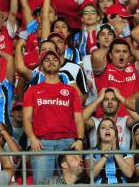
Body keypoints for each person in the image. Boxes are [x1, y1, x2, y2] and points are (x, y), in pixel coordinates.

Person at [23, 50, 84, 184]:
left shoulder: (72, 90)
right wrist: (32, 139)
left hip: (68, 143)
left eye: (55, 60)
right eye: (47, 60)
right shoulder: (32, 90)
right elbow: (26, 119)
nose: (51, 62)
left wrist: (79, 139)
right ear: (41, 67)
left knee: (70, 183)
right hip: (42, 144)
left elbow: (79, 118)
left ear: (59, 64)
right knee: (42, 184)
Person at [85, 118, 134, 184]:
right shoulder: (91, 152)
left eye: (111, 127)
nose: (107, 129)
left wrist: (115, 152)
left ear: (115, 133)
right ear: (99, 134)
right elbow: (91, 174)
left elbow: (129, 173)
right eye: (103, 127)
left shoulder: (125, 151)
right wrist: (106, 154)